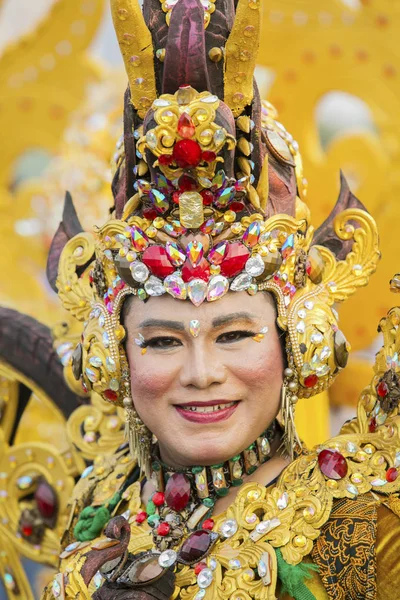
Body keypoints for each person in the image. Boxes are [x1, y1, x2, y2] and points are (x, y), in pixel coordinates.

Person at [40, 0, 400, 598]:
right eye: (161, 341)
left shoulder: (361, 540)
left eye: (234, 334)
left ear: (297, 341)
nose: (202, 374)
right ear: (113, 355)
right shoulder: (100, 502)